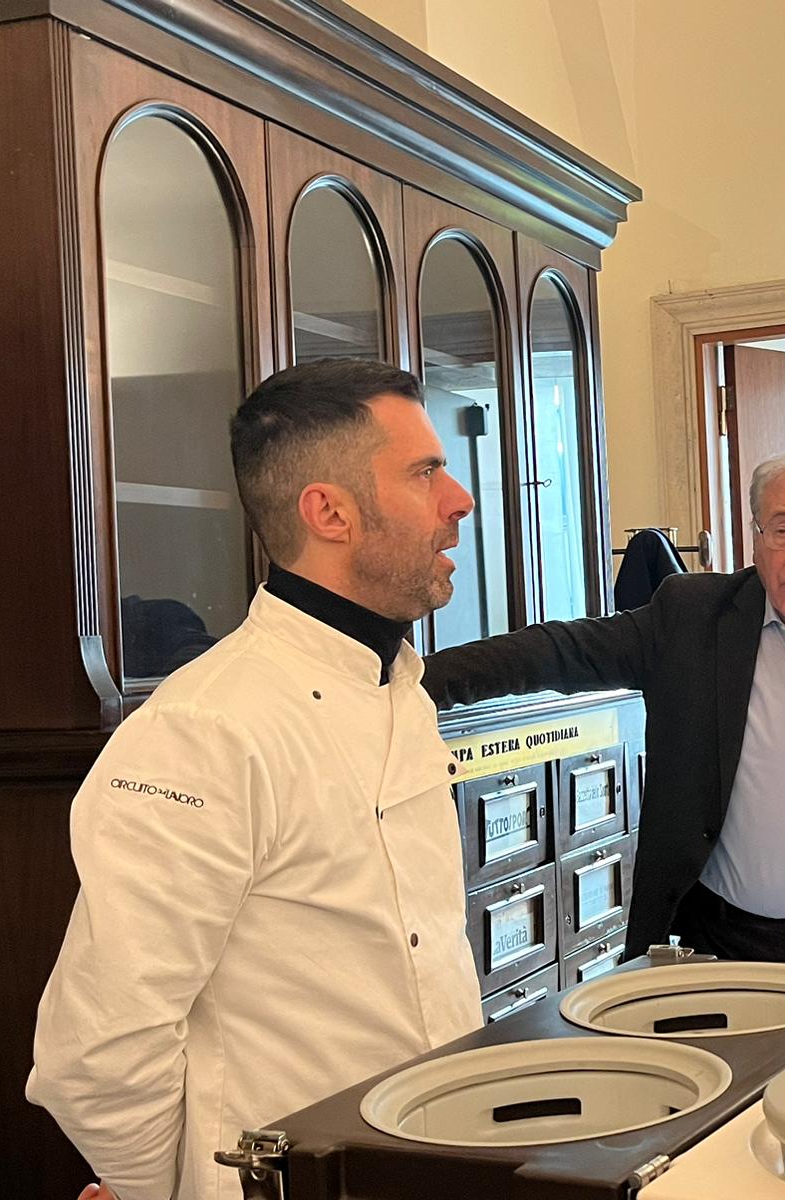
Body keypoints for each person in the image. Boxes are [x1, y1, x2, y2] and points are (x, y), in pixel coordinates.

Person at [28, 359, 483, 1200]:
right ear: (329, 511)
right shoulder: (205, 730)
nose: (459, 500)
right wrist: (159, 1194)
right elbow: (98, 1050)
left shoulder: (401, 687)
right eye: (425, 472)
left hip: (435, 1156)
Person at [424, 447, 785, 965]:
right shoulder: (693, 619)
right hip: (729, 947)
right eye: (781, 530)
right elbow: (562, 651)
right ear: (755, 539)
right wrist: (418, 681)